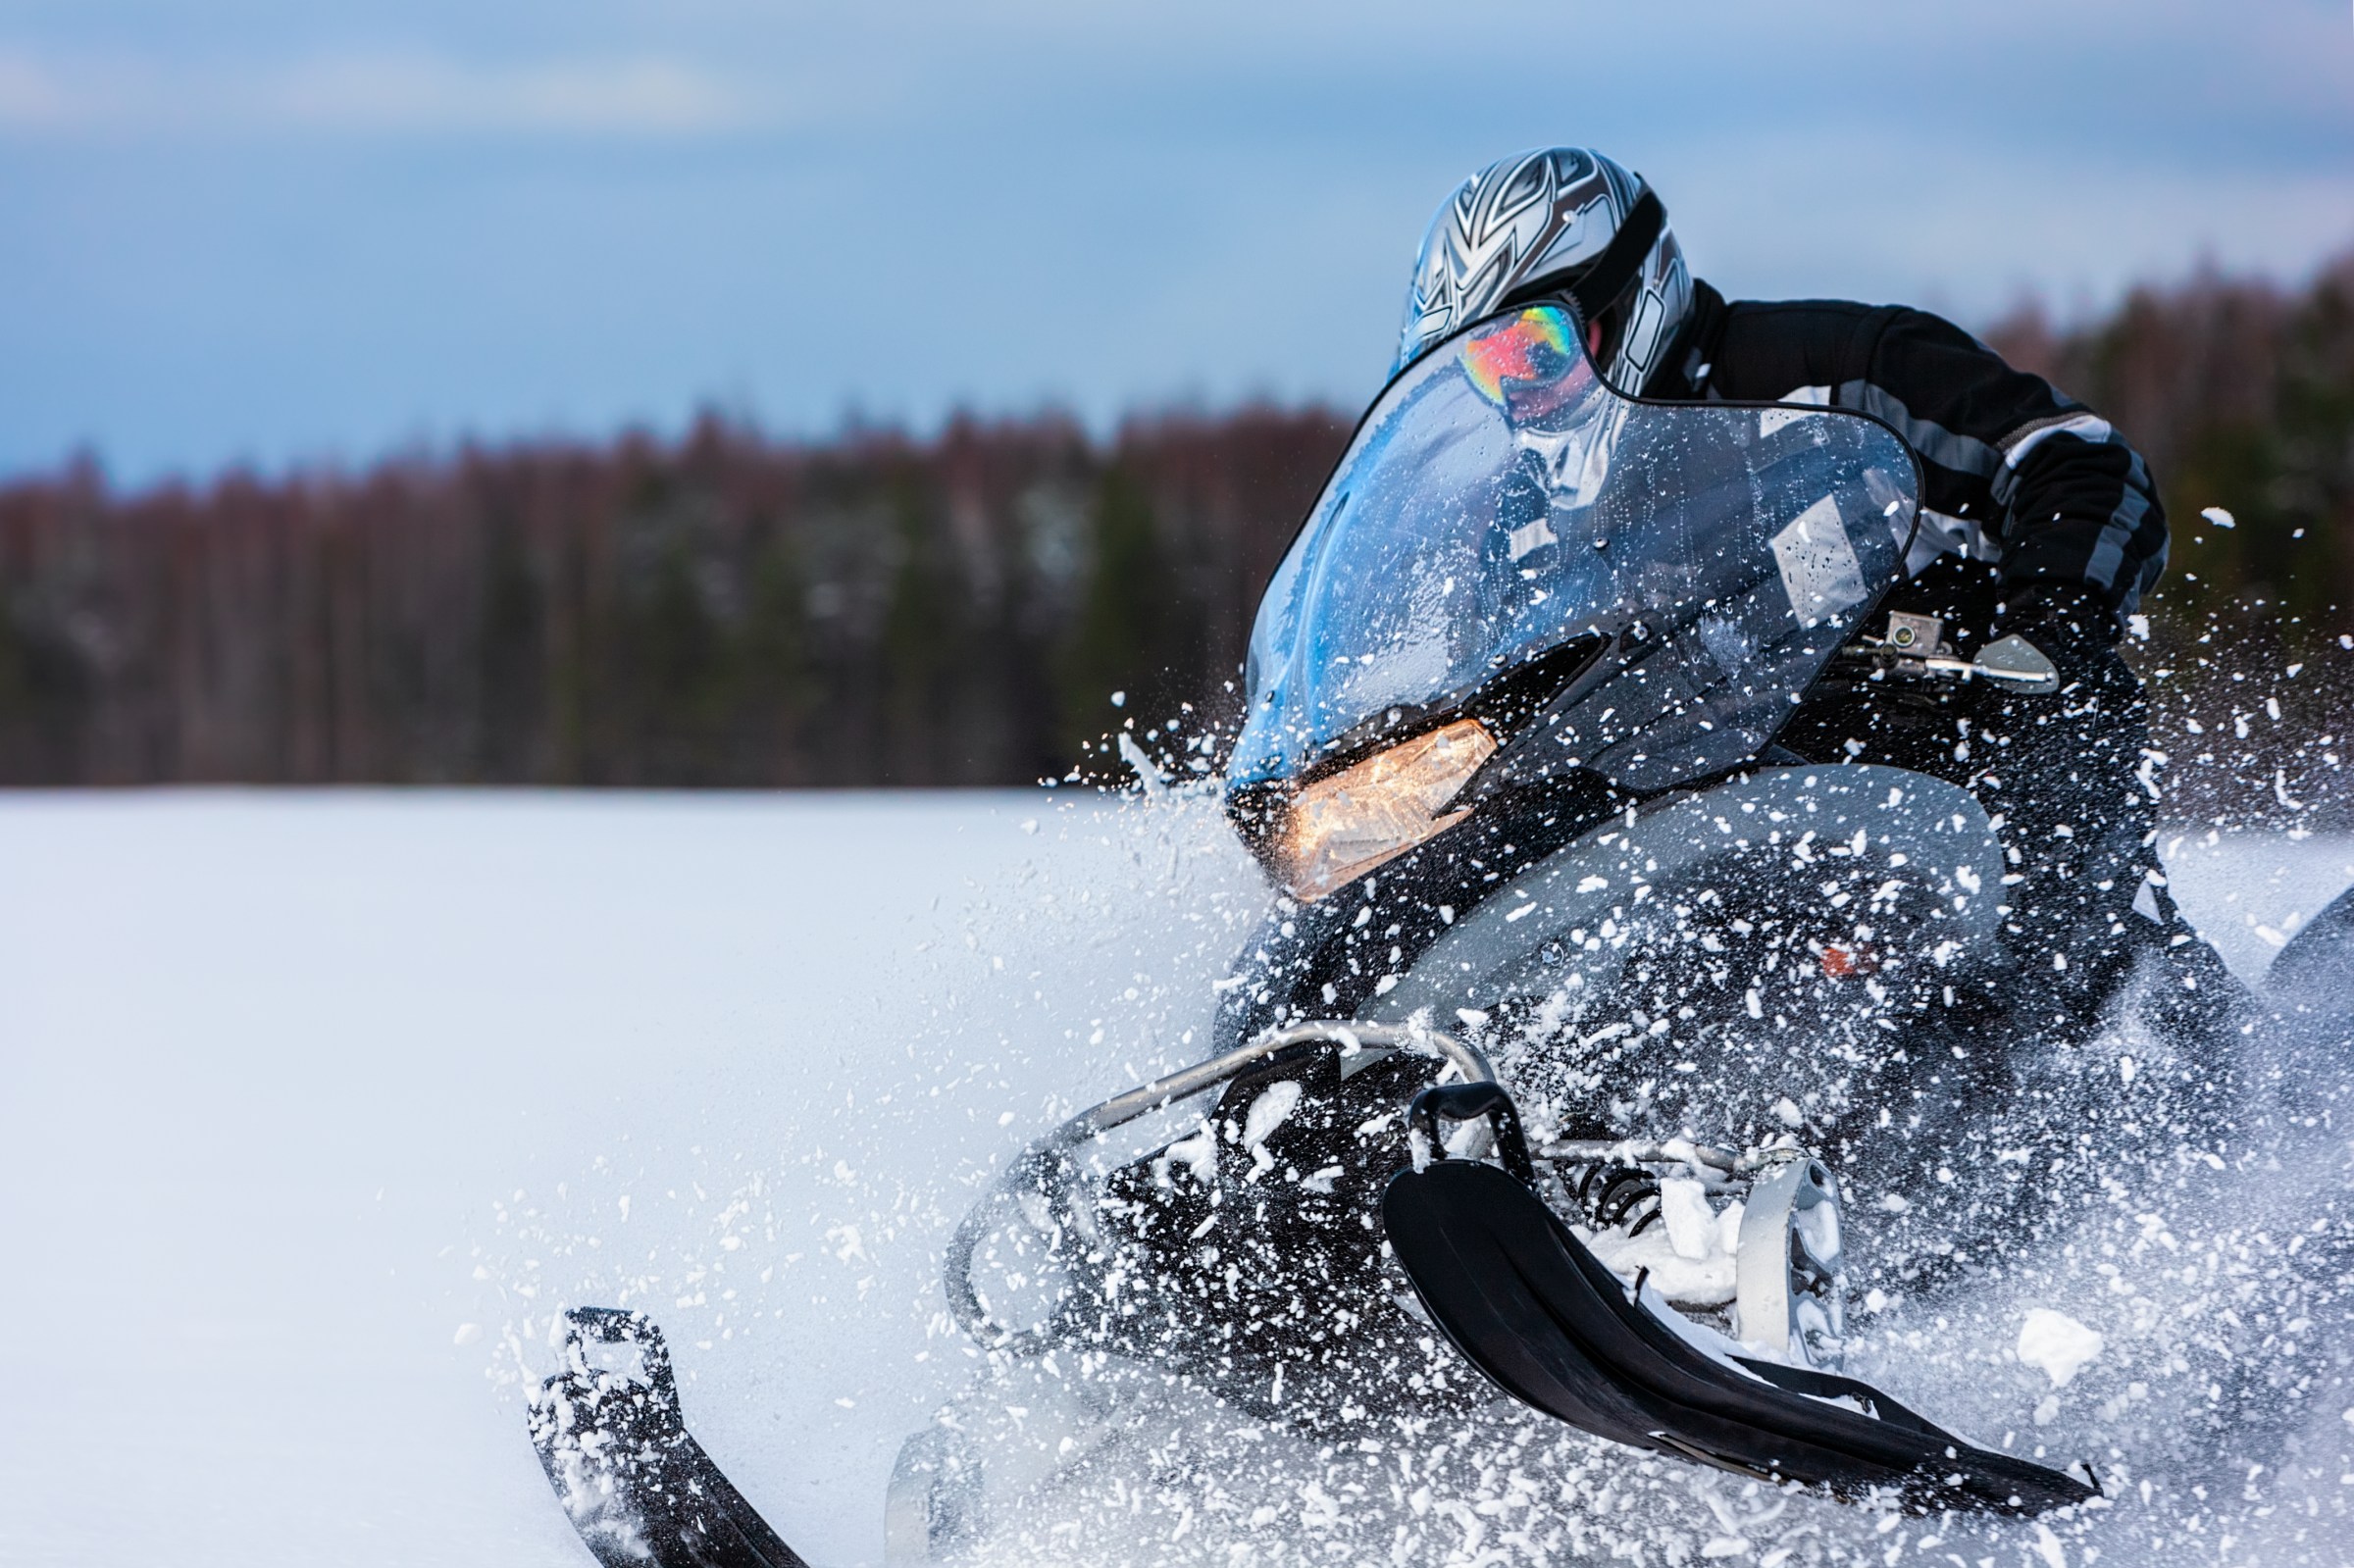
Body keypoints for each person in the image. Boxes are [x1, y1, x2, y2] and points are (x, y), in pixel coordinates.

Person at [1396, 146, 2182, 1020]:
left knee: (2068, 938)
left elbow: (2076, 459)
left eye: (1532, 349)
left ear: (1626, 302)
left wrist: (2052, 619)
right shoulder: (1529, 519)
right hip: (1722, 837)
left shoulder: (1838, 371)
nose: (1518, 392)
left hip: (1959, 759)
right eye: (1485, 364)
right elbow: (1507, 686)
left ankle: (2142, 1045)